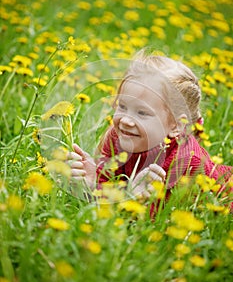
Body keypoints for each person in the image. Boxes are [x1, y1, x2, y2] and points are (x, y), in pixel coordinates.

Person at [67, 49, 233, 210]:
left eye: (142, 112)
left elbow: (165, 222)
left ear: (176, 125)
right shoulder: (118, 137)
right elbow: (108, 187)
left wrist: (134, 197)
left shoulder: (189, 164)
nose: (125, 120)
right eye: (123, 106)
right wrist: (93, 182)